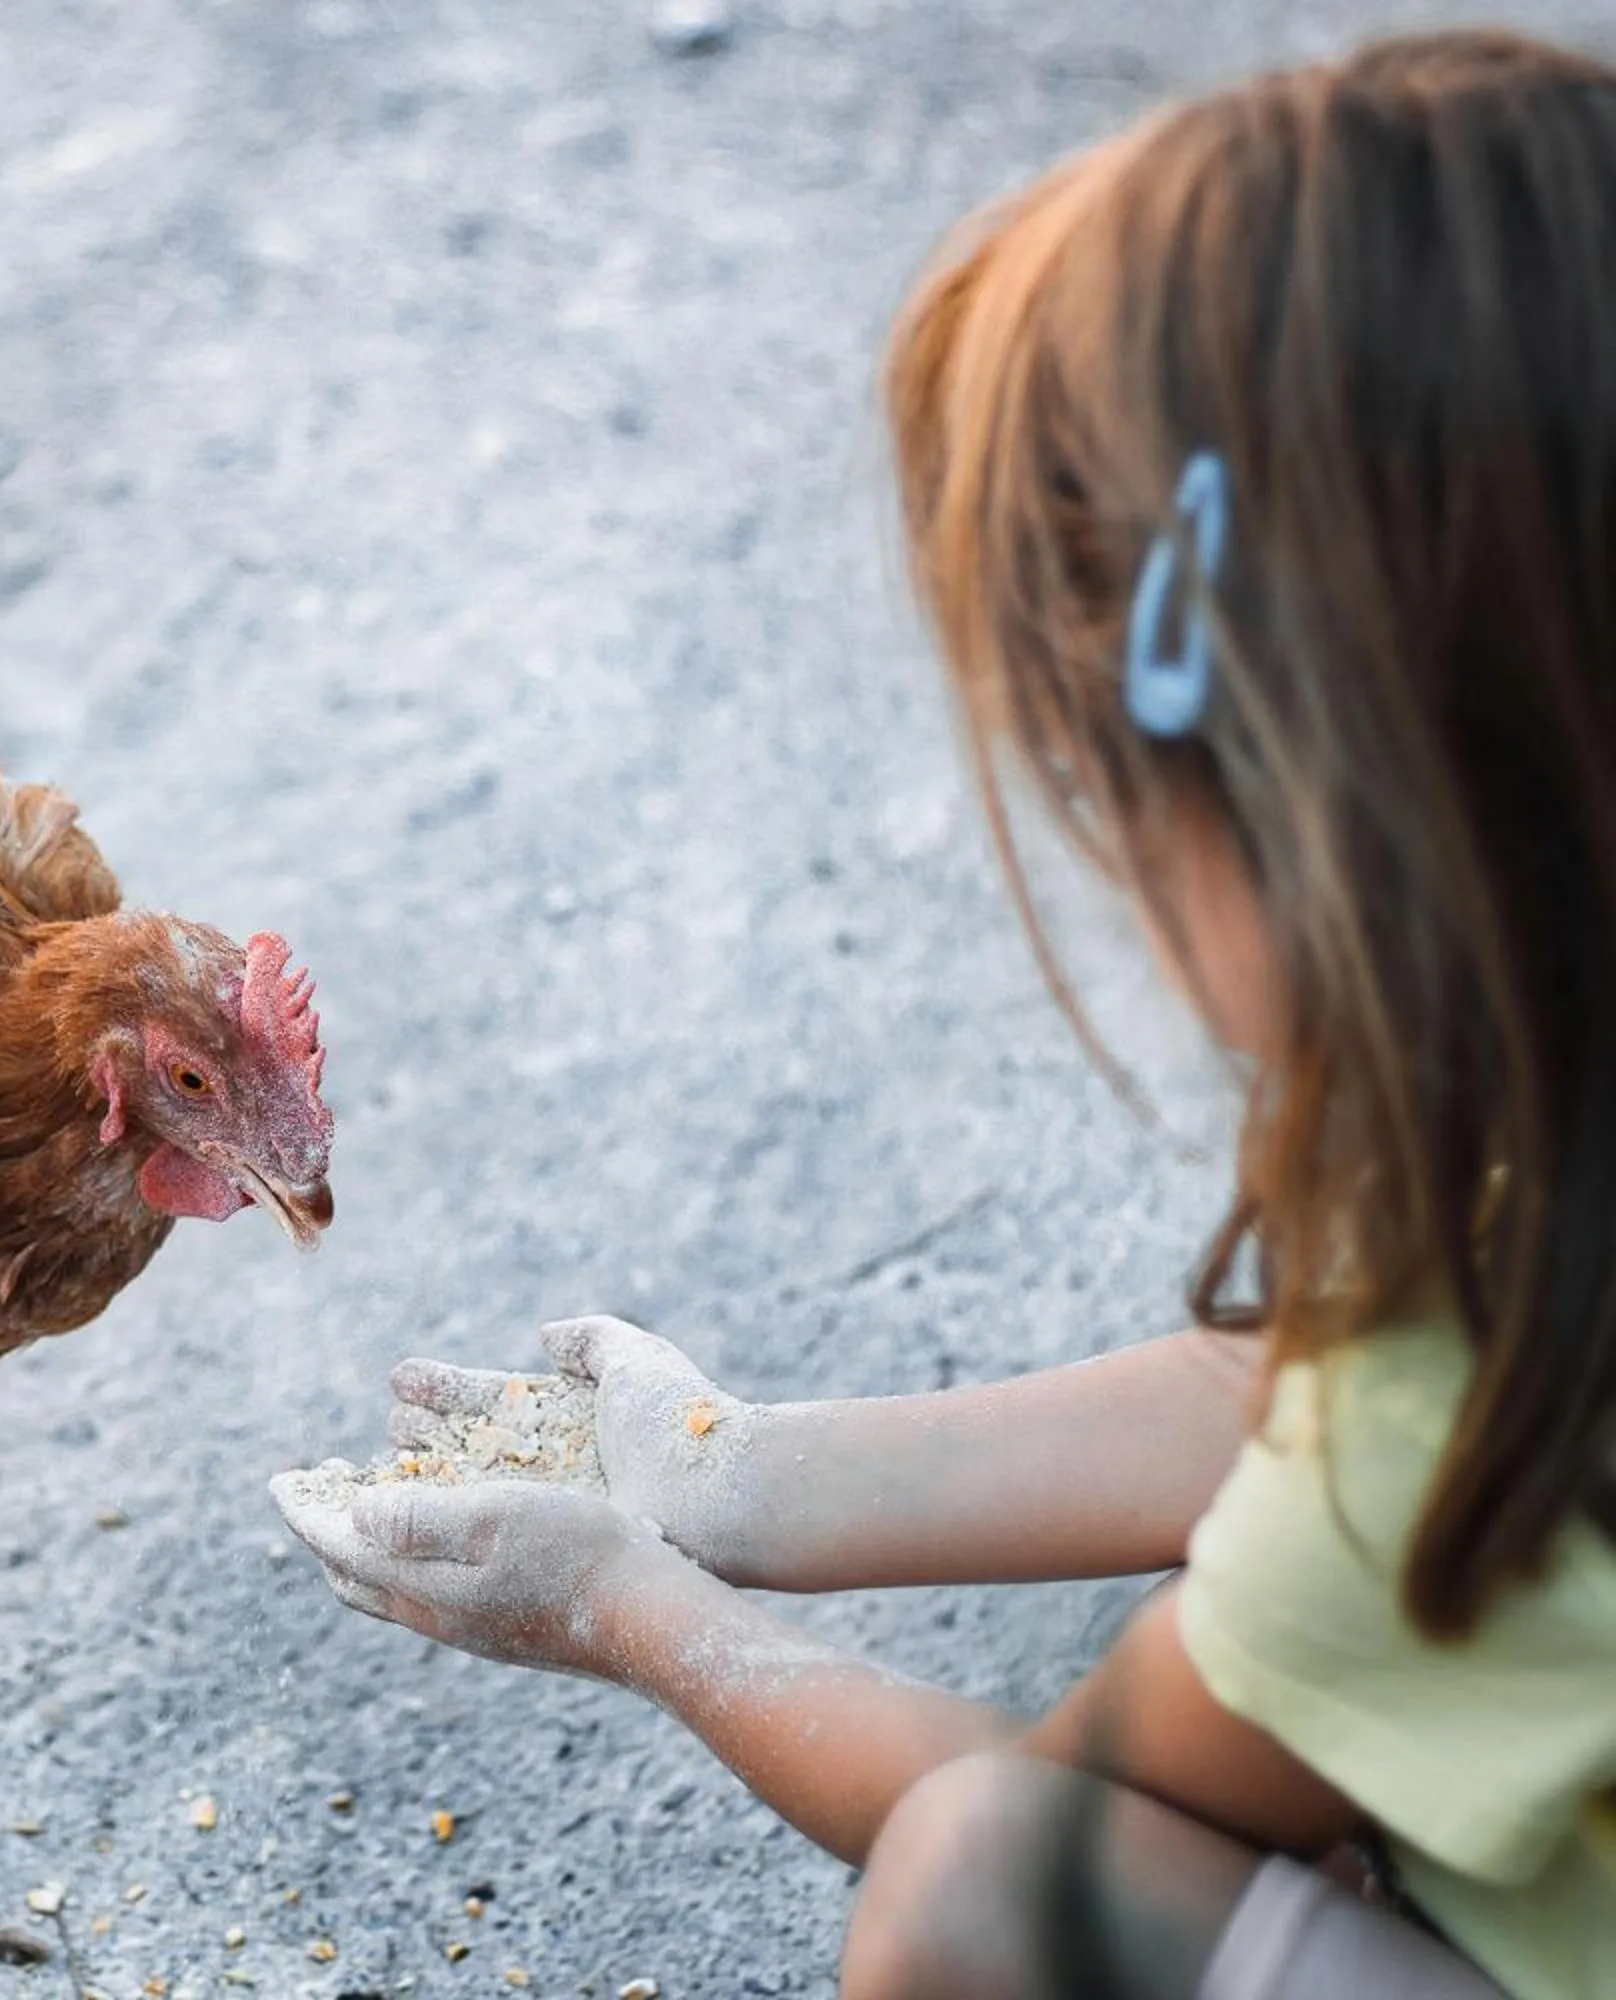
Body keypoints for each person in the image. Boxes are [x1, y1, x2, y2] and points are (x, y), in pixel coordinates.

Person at [274, 30, 1616, 2000]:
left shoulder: (1439, 1477)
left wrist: (640, 1605)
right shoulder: (1552, 1121)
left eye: (1106, 806)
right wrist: (739, 1471)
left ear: (1297, 826)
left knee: (966, 1889)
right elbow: (1343, 1383)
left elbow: (1041, 1827)